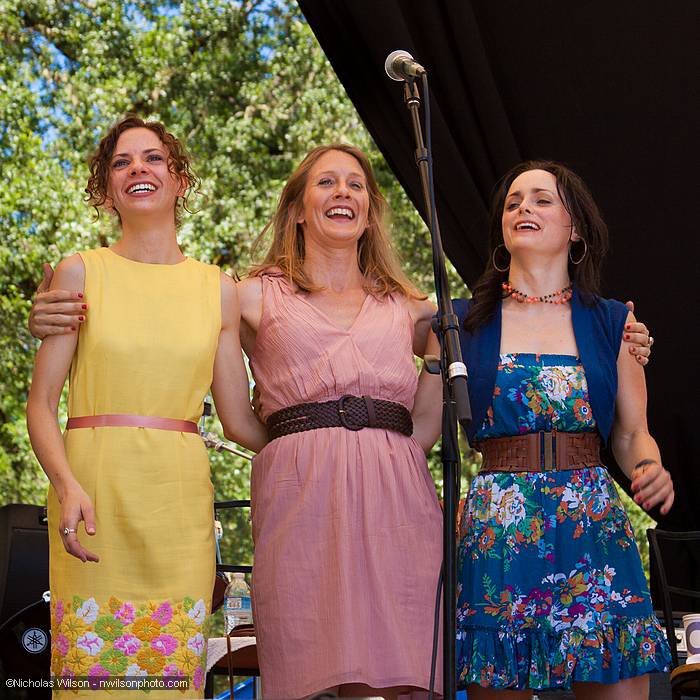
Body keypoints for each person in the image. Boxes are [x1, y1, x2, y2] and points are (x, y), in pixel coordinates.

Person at [26, 115, 266, 697]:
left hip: (179, 507)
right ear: (107, 191)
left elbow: (238, 420)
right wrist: (67, 487)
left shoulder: (218, 288)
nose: (138, 168)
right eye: (121, 162)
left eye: (153, 158)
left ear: (179, 179)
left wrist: (326, 438)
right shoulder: (79, 270)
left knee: (170, 682)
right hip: (96, 496)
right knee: (95, 683)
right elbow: (40, 407)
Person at [453, 161, 673, 700]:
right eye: (513, 201)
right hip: (500, 529)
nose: (523, 207)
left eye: (541, 199)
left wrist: (649, 468)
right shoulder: (461, 321)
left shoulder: (613, 321)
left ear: (575, 228)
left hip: (591, 522)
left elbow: (630, 435)